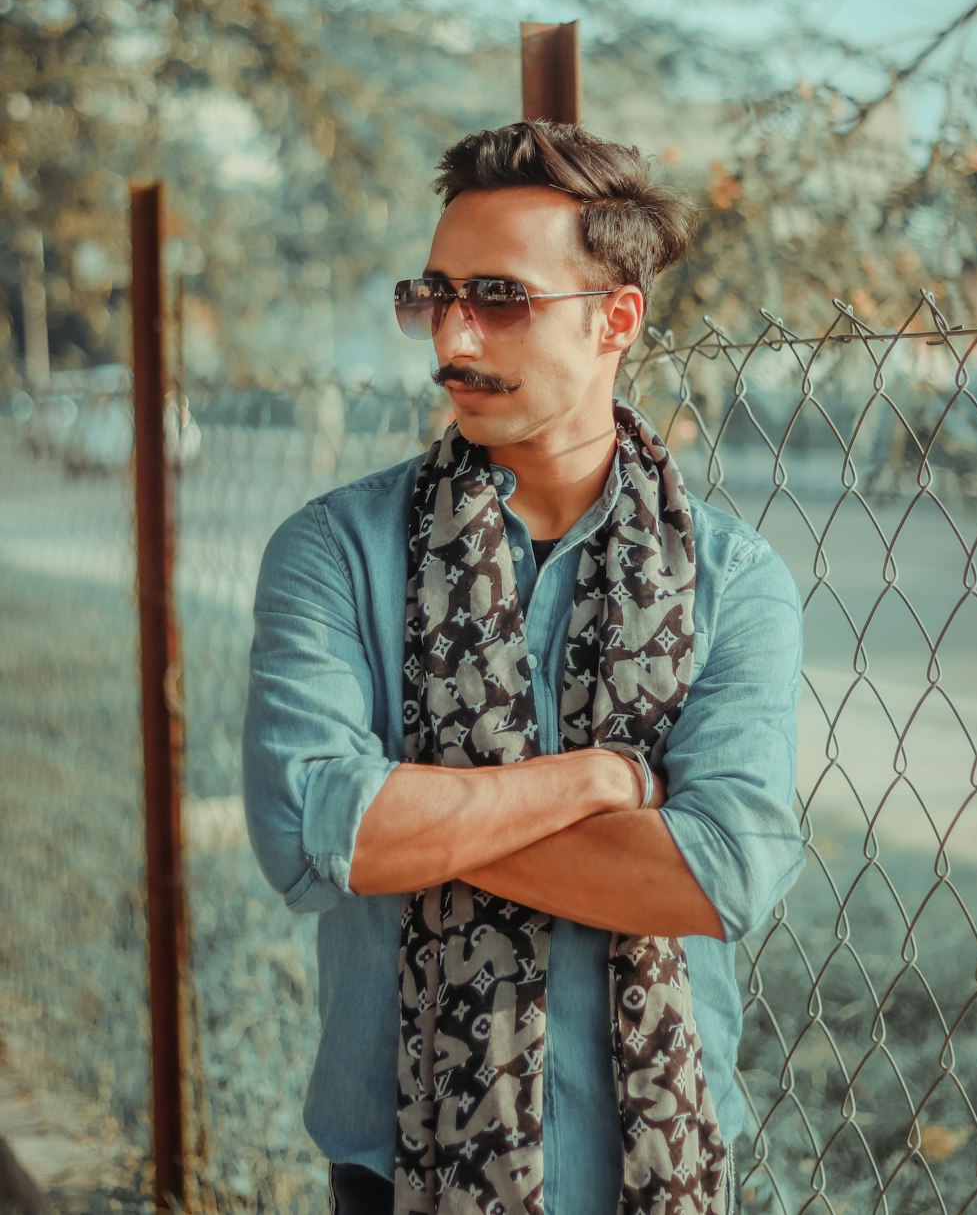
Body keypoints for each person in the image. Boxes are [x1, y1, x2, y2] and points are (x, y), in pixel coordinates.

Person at [243, 121, 804, 1215]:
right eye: (434, 294)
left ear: (617, 319)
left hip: (654, 1167)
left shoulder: (735, 578)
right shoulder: (333, 550)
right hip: (398, 1169)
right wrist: (601, 782)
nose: (453, 334)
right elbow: (310, 833)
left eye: (499, 296)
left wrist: (415, 825)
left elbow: (718, 873)